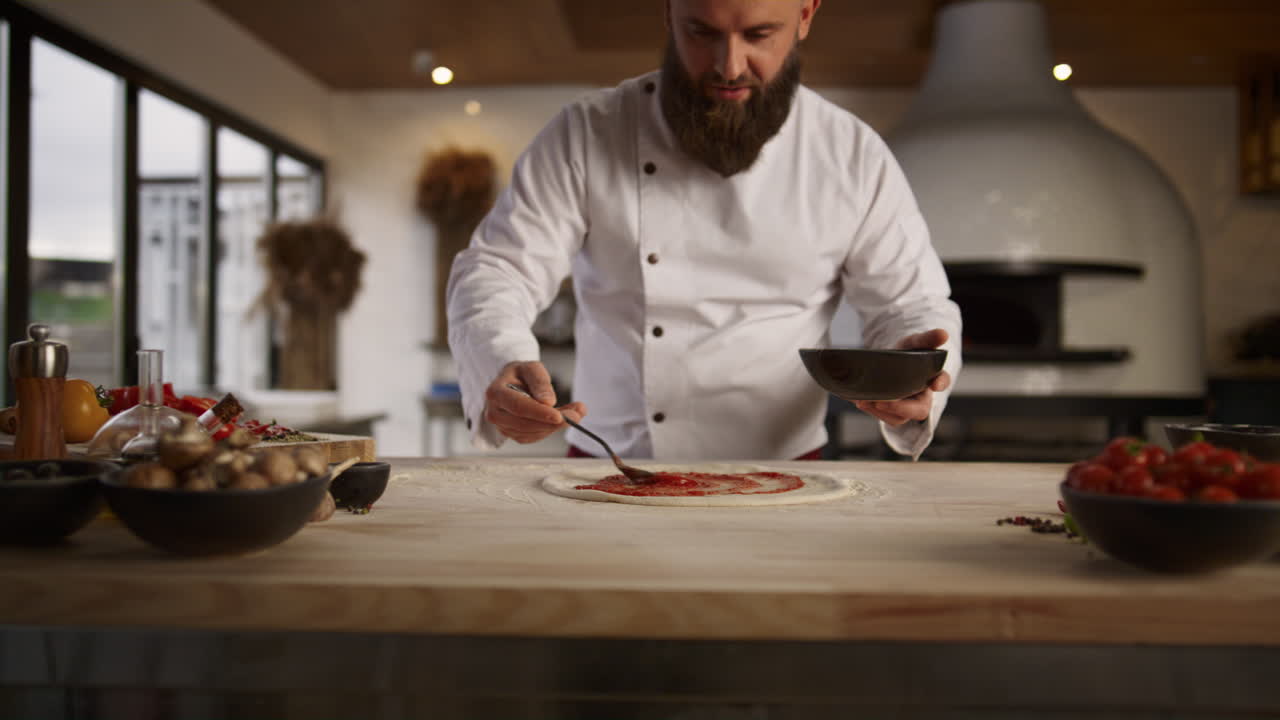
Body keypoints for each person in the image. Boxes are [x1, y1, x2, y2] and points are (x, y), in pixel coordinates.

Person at [447, 0, 962, 461]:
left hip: (786, 469)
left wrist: (910, 365)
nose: (729, 66)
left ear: (806, 15)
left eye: (758, 35)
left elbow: (910, 303)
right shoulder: (586, 133)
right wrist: (503, 357)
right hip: (611, 465)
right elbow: (500, 268)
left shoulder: (851, 153)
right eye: (702, 32)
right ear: (667, 12)